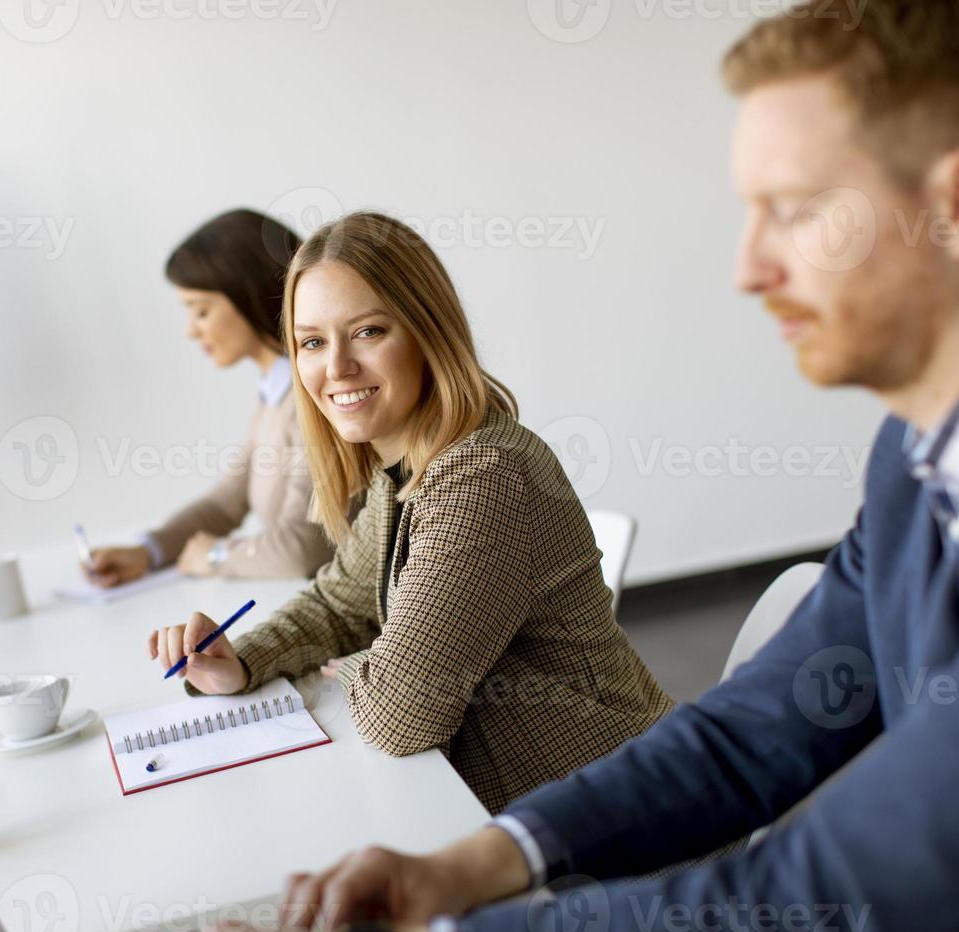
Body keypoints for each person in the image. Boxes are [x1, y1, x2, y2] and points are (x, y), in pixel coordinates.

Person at [146, 1, 959, 932]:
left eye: (797, 209)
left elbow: (815, 905)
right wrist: (483, 859)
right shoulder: (918, 448)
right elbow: (748, 733)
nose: (748, 268)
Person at [145, 211, 673, 814]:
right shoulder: (400, 464)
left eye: (367, 331)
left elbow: (401, 714)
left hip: (623, 833)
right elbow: (338, 603)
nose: (335, 367)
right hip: (520, 816)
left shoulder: (483, 475)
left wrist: (364, 662)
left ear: (428, 332)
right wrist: (241, 660)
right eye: (312, 342)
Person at [85, 209, 334, 582]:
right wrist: (147, 552)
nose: (191, 331)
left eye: (201, 311)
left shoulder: (312, 397)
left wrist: (217, 554)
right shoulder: (273, 391)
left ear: (249, 295)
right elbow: (225, 502)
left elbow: (302, 550)